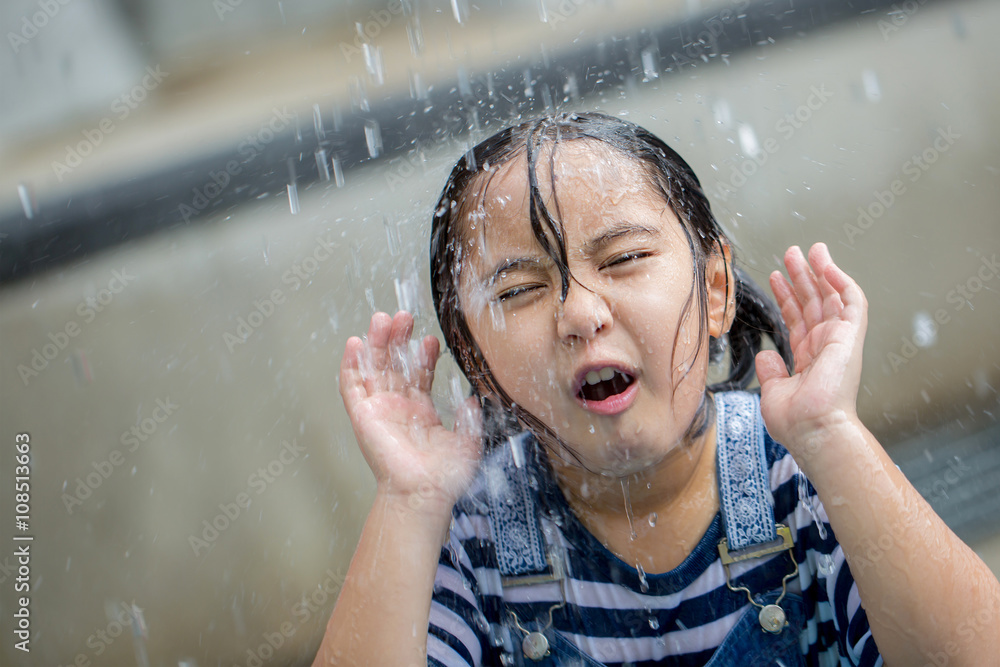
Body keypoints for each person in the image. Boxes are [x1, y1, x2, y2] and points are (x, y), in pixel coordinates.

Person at [313, 112, 1000, 666]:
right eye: (519, 289)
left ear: (717, 288)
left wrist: (833, 435)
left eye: (626, 258)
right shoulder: (472, 535)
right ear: (474, 355)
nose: (581, 314)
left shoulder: (803, 479)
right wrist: (408, 500)